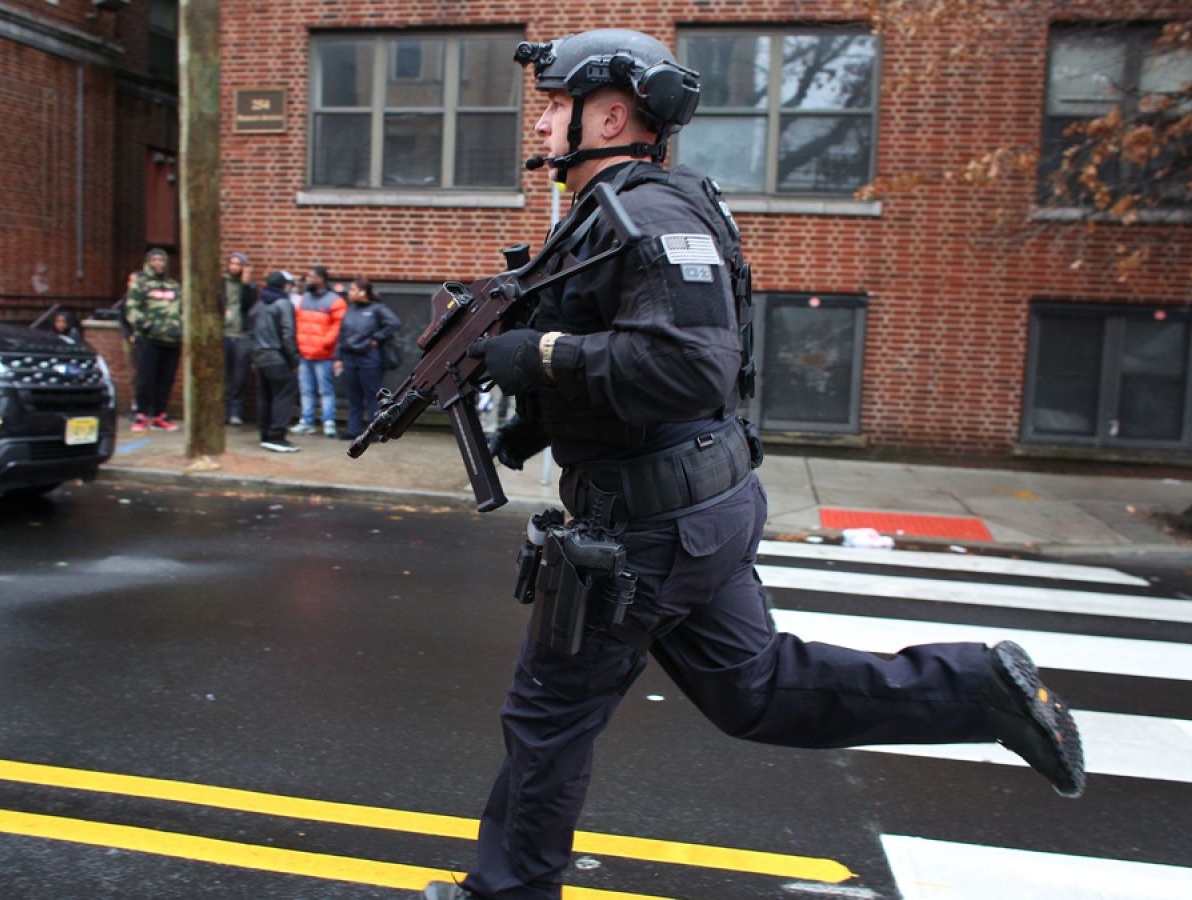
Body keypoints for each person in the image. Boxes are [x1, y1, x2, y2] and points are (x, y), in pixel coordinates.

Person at [421, 31, 1084, 900]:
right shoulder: (613, 210)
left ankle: (506, 893)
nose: (541, 122)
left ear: (611, 116)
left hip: (648, 525)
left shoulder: (648, 216)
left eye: (554, 105)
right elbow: (631, 351)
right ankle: (979, 687)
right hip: (688, 507)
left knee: (549, 717)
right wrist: (534, 424)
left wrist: (537, 357)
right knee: (757, 692)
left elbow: (688, 367)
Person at [123, 247, 182, 433]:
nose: (159, 264)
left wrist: (180, 328)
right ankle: (141, 415)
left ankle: (160, 415)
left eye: (162, 261)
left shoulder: (173, 285)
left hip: (171, 339)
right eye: (155, 260)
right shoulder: (140, 284)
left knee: (166, 379)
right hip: (149, 339)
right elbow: (131, 308)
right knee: (145, 378)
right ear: (148, 262)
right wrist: (144, 325)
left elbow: (182, 309)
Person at [334, 278, 399, 440]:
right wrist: (338, 358)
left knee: (372, 396)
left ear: (363, 292)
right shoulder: (350, 309)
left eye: (353, 289)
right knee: (354, 395)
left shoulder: (377, 308)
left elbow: (394, 323)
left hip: (369, 359)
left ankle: (375, 431)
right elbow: (342, 334)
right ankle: (353, 430)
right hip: (350, 358)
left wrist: (377, 338)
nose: (350, 292)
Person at [290, 266, 346, 437]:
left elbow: (339, 327)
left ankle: (328, 421)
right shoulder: (303, 299)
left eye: (311, 277)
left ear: (321, 279)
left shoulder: (335, 301)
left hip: (324, 355)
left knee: (325, 390)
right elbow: (297, 324)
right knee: (306, 390)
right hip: (305, 355)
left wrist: (324, 344)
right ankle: (306, 421)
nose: (308, 281)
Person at [249, 271, 302, 452]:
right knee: (284, 395)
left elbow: (251, 331)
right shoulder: (283, 304)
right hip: (277, 357)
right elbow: (288, 334)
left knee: (265, 397)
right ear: (284, 286)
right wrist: (294, 361)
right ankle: (277, 436)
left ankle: (265, 434)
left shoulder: (258, 305)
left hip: (259, 357)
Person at [222, 251, 258, 426]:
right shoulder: (222, 283)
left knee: (239, 376)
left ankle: (235, 412)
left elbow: (249, 306)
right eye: (232, 263)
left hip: (242, 335)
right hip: (225, 333)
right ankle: (223, 411)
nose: (234, 267)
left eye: (238, 264)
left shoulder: (250, 286)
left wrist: (245, 285)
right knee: (223, 375)